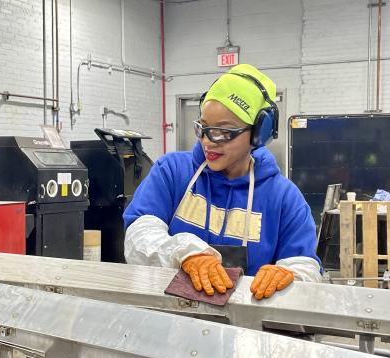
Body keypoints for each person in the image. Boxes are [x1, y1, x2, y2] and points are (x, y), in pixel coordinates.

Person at [123, 64, 322, 300]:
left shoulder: (283, 197)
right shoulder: (173, 172)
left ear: (258, 134)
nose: (208, 141)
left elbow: (305, 266)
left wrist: (290, 275)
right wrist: (184, 253)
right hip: (172, 318)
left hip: (245, 328)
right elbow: (139, 236)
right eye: (203, 127)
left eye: (223, 132)